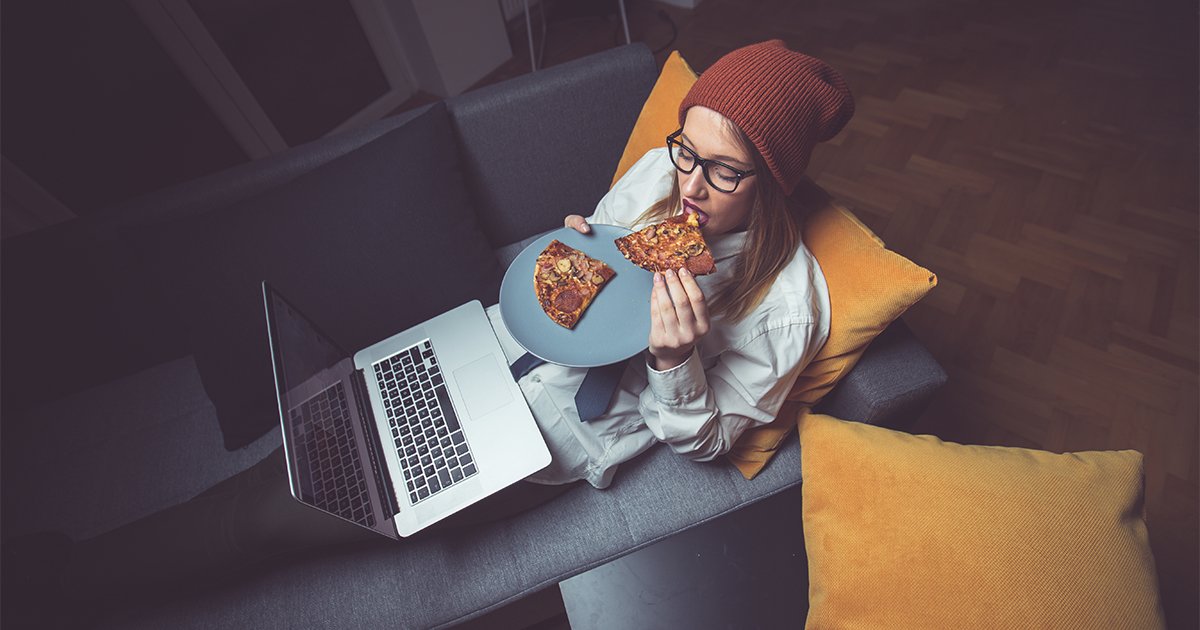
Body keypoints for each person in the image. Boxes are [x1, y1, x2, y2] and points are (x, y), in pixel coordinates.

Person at [2, 39, 854, 627]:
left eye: (724, 172)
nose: (691, 184)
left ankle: (64, 584)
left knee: (276, 510)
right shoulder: (663, 176)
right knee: (300, 449)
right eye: (685, 151)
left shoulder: (789, 306)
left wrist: (673, 362)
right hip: (484, 340)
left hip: (539, 439)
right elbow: (602, 238)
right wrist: (578, 246)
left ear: (774, 179)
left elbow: (706, 446)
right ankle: (65, 576)